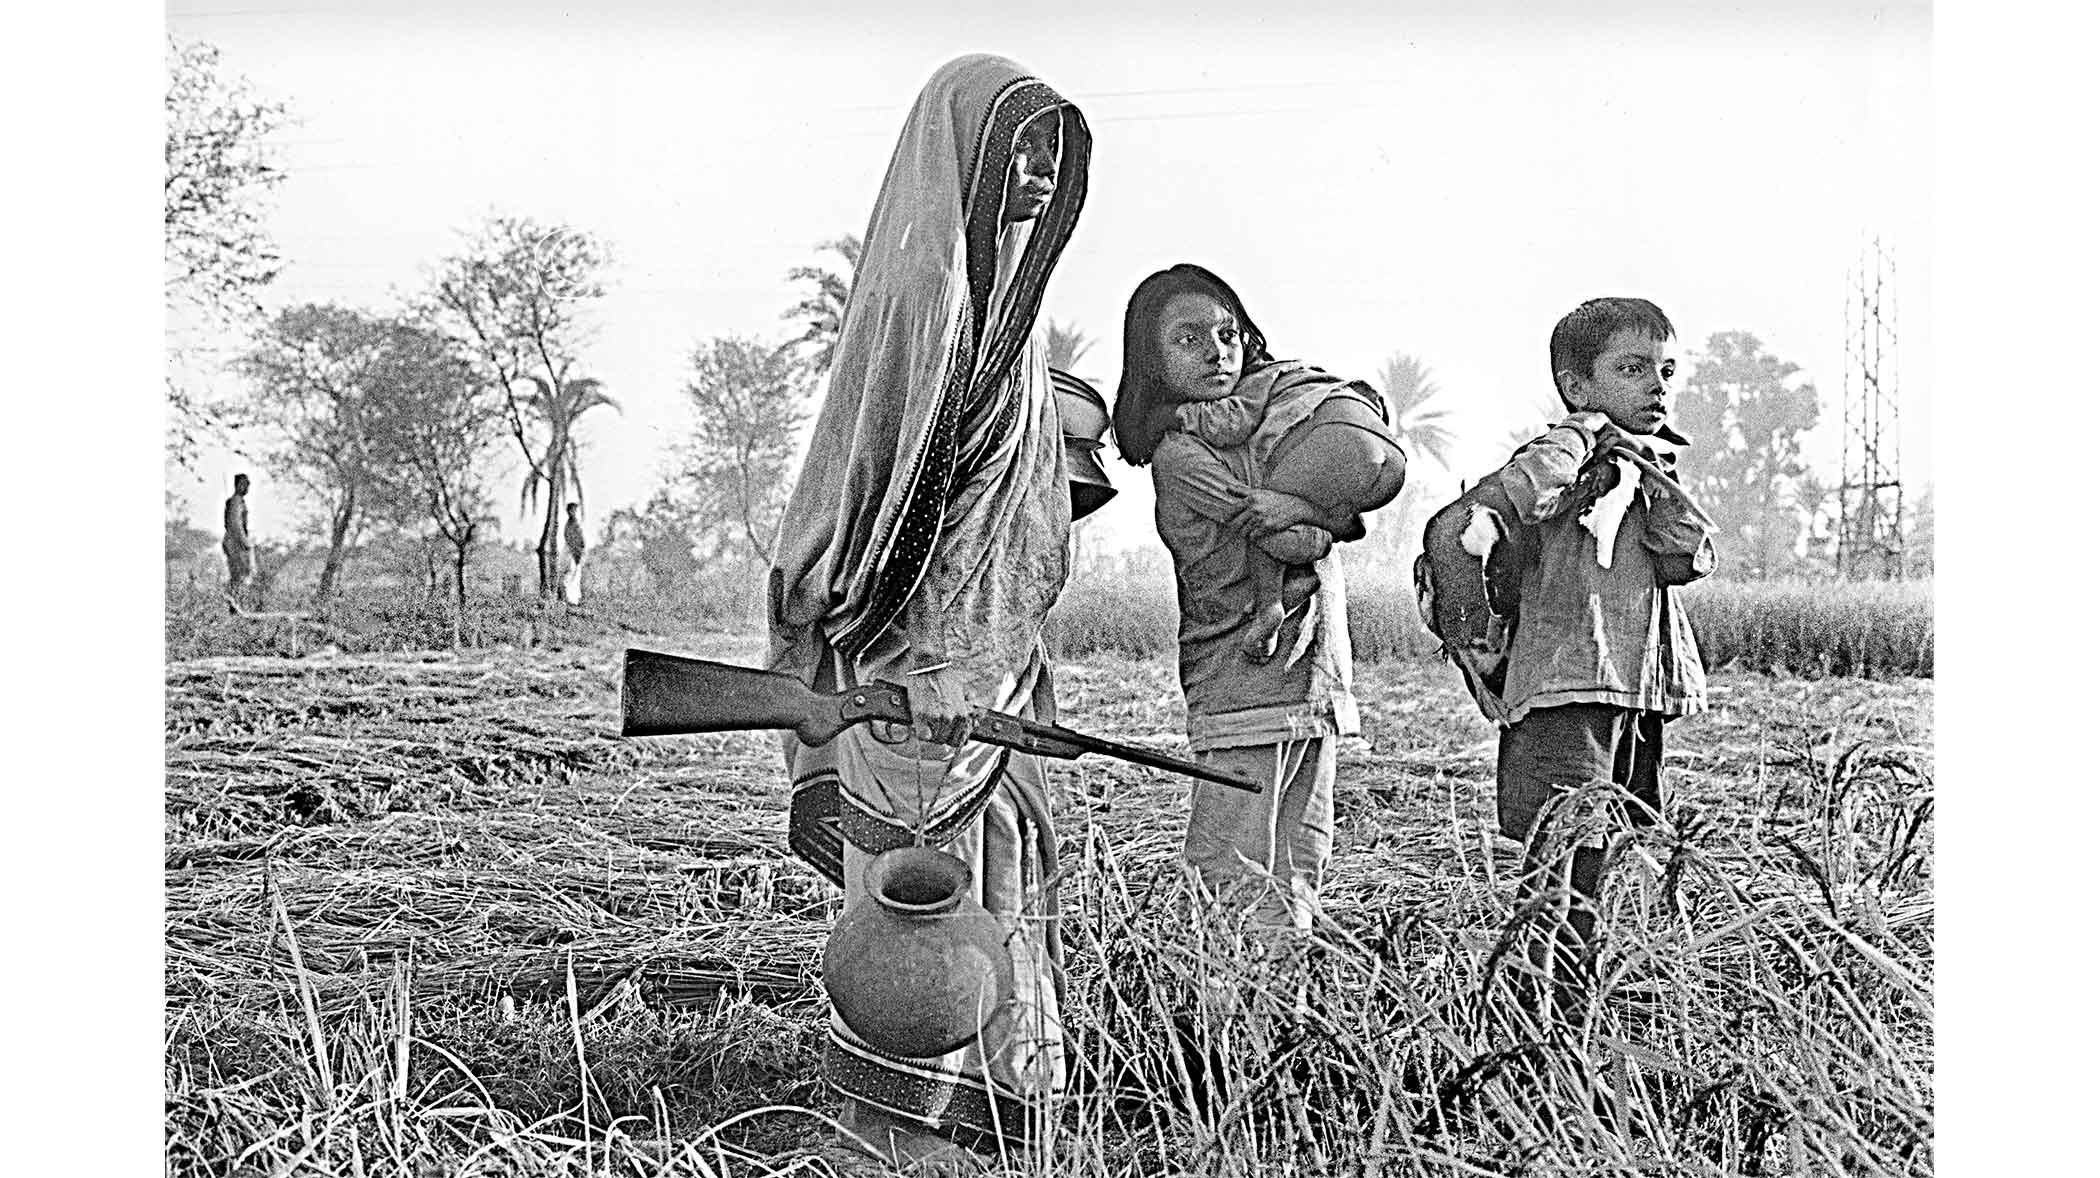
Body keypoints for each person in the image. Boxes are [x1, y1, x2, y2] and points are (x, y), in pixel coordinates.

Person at [764, 54, 1090, 1171]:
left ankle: (993, 1134)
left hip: (989, 683)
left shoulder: (1017, 318)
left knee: (1002, 916)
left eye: (1054, 154)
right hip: (913, 689)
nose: (1041, 175)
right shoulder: (920, 301)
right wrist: (921, 658)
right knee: (919, 932)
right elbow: (870, 504)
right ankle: (896, 1145)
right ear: (962, 154)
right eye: (1019, 150)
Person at [1109, 263, 1367, 936]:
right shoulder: (1182, 455)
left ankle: (1277, 1019)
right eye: (1188, 339)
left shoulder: (1256, 433)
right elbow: (1285, 536)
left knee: (1296, 868)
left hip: (1307, 677)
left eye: (1227, 333)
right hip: (1243, 686)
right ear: (1152, 362)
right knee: (1231, 874)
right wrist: (1330, 512)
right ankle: (1215, 1026)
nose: (1216, 351)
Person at [1487, 296, 1717, 1018]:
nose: (1658, 386)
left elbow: (1685, 559)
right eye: (1632, 368)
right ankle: (1531, 1016)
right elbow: (1514, 505)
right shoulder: (1558, 456)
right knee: (1561, 856)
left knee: (1602, 850)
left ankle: (1570, 1008)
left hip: (1629, 688)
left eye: (1667, 370)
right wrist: (1584, 450)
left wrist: (1655, 477)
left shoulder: (1647, 466)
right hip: (1568, 683)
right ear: (1578, 388)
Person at [1165, 325, 1404, 663]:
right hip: (1390, 456)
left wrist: (1176, 415)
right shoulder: (1313, 374)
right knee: (1308, 504)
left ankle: (1269, 605)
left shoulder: (1258, 383)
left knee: (1269, 508)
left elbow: (1230, 421)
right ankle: (1338, 518)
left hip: (1338, 437)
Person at [222, 473, 255, 614]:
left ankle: (236, 607)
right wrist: (245, 542)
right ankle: (234, 609)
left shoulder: (239, 501)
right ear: (239, 484)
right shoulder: (236, 501)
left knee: (240, 575)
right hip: (235, 543)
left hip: (235, 542)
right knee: (238, 576)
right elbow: (235, 524)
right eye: (245, 484)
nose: (248, 487)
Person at [561, 503, 587, 605]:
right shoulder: (569, 524)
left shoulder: (576, 523)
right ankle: (568, 599)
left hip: (576, 552)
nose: (572, 512)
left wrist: (579, 552)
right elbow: (567, 538)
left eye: (574, 510)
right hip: (570, 551)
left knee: (575, 574)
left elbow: (581, 540)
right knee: (569, 573)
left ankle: (573, 600)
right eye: (570, 510)